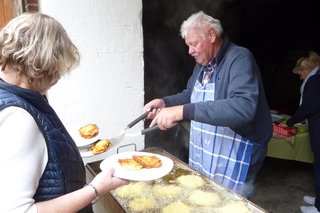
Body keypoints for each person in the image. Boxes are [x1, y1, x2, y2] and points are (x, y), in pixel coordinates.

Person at [0, 13, 128, 212]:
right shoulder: (18, 119)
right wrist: (96, 188)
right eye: (57, 70)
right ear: (40, 64)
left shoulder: (15, 96)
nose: (58, 78)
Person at [144, 11, 272, 198]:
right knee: (207, 195)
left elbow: (243, 107)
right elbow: (191, 94)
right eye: (188, 45)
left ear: (211, 35)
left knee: (232, 201)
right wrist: (165, 102)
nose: (190, 51)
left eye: (194, 44)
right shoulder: (202, 66)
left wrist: (182, 111)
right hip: (208, 149)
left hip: (237, 151)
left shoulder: (239, 58)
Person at [285, 51, 320, 213]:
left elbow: (308, 107)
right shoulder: (317, 77)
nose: (299, 76)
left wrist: (290, 122)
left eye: (300, 73)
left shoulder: (314, 80)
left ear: (306, 69)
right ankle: (319, 198)